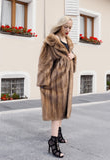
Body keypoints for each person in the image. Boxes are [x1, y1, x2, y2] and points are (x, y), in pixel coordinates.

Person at [37, 16, 76, 158]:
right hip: (55, 81)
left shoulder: (68, 41)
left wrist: (73, 57)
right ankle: (53, 142)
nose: (68, 30)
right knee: (56, 112)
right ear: (60, 25)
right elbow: (44, 63)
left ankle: (58, 133)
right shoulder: (52, 41)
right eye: (66, 26)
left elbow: (69, 57)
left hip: (66, 82)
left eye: (70, 27)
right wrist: (44, 82)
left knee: (62, 109)